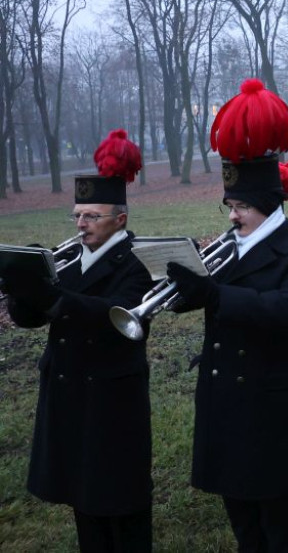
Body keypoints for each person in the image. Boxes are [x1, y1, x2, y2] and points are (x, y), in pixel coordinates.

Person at [168, 79, 288, 552]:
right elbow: (200, 299)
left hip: (268, 408)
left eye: (241, 206)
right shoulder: (225, 249)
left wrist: (214, 295)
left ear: (269, 204)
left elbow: (287, 311)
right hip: (223, 403)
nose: (233, 215)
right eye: (230, 205)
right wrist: (182, 288)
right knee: (241, 522)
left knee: (277, 523)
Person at [3, 130, 155, 552]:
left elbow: (114, 314)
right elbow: (30, 318)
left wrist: (54, 296)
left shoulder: (138, 262)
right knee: (83, 503)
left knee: (121, 506)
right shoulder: (68, 259)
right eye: (77, 216)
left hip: (111, 401)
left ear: (119, 219)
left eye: (91, 216)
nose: (81, 224)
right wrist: (22, 285)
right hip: (69, 397)